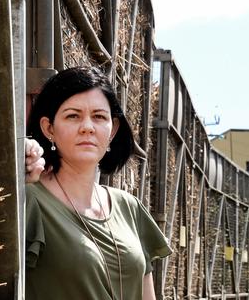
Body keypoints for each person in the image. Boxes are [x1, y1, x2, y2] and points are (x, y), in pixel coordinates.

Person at [24, 66, 171, 300]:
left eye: (99, 117)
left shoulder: (129, 207)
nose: (88, 127)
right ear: (48, 128)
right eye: (73, 116)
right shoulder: (30, 200)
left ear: (112, 130)